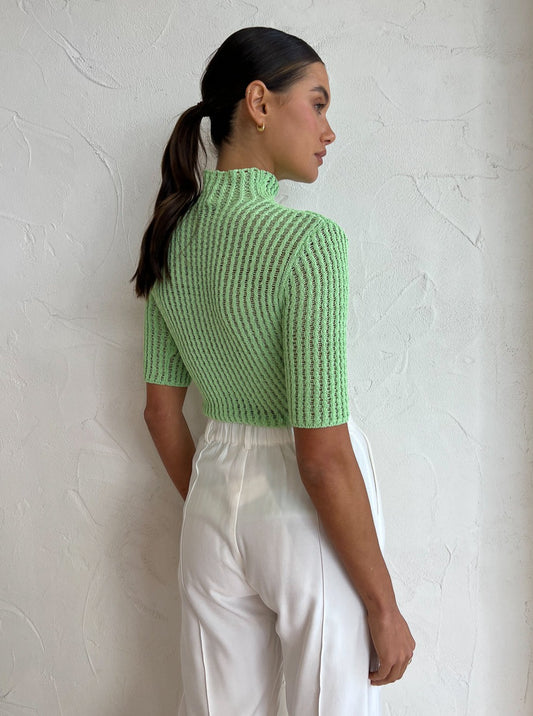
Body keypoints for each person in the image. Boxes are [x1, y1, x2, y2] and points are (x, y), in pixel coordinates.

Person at [132, 26, 415, 716]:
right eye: (317, 104)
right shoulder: (307, 244)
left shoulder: (172, 236)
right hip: (302, 510)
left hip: (211, 500)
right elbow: (320, 456)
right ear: (259, 103)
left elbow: (161, 413)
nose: (328, 131)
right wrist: (384, 607)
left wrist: (218, 498)